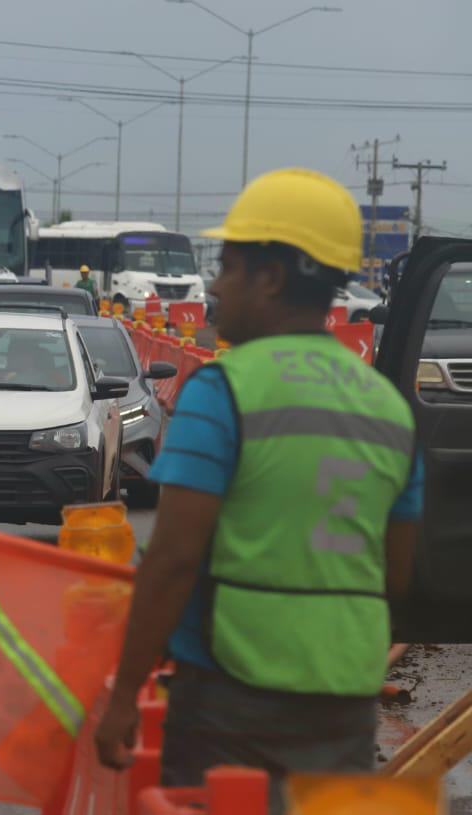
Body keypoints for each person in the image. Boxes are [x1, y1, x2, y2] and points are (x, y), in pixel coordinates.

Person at [93, 168, 423, 813]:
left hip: (231, 693)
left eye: (230, 266)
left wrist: (124, 694)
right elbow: (397, 575)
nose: (214, 287)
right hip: (346, 697)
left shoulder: (223, 391)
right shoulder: (389, 408)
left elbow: (172, 561)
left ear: (271, 277)